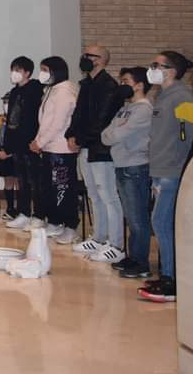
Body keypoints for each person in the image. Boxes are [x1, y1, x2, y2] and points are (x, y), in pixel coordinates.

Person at [138, 51, 193, 304]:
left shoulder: (183, 97)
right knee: (161, 223)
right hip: (159, 169)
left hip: (172, 170)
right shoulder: (162, 96)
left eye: (157, 65)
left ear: (171, 71)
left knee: (161, 222)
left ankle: (172, 278)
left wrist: (178, 165)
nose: (152, 69)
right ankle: (167, 274)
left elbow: (189, 135)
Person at [67, 45, 126, 264]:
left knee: (108, 196)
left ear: (100, 60)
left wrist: (81, 138)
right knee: (94, 194)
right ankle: (99, 238)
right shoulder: (86, 84)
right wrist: (71, 134)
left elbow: (102, 119)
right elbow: (78, 114)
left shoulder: (109, 86)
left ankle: (116, 244)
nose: (84, 58)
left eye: (89, 55)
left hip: (101, 149)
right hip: (86, 147)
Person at [101, 67, 153, 279]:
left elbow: (116, 135)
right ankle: (133, 256)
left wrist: (113, 134)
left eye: (126, 81)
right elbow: (106, 134)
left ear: (139, 85)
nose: (122, 85)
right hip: (122, 164)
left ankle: (141, 263)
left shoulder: (144, 109)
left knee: (138, 217)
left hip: (135, 166)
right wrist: (112, 134)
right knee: (131, 216)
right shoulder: (125, 109)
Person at [30, 56, 80, 245]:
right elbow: (44, 120)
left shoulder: (65, 91)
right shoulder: (52, 89)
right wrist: (38, 141)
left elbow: (58, 123)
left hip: (61, 149)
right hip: (49, 148)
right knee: (49, 188)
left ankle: (70, 226)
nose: (42, 74)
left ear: (56, 71)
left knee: (62, 188)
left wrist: (40, 142)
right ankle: (55, 220)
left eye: (45, 70)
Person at [1, 56, 46, 232]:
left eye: (18, 70)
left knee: (35, 180)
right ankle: (24, 213)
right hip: (17, 142)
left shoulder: (35, 90)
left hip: (31, 141)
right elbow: (11, 119)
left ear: (27, 73)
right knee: (21, 180)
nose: (14, 73)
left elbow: (36, 118)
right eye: (13, 70)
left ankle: (39, 215)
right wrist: (8, 143)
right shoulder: (14, 92)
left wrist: (37, 139)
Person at [0, 93, 18, 220]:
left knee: (19, 181)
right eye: (4, 102)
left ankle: (21, 209)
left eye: (8, 102)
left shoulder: (19, 119)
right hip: (3, 155)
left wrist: (11, 152)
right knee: (8, 181)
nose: (6, 104)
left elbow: (22, 138)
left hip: (16, 155)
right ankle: (10, 208)